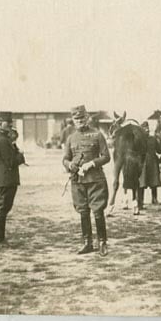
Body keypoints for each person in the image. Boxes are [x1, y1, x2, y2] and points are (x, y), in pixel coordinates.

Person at [62, 105, 111, 256]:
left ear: (87, 118)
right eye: (76, 119)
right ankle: (87, 243)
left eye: (82, 118)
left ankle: (102, 242)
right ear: (73, 120)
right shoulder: (71, 138)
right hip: (78, 181)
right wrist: (70, 165)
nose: (79, 121)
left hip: (95, 180)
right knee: (83, 212)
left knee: (97, 211)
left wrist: (92, 164)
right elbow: (65, 159)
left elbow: (106, 156)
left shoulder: (97, 135)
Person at [0, 111, 25, 247]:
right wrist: (21, 156)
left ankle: (0, 239)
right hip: (6, 179)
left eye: (11, 123)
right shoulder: (3, 140)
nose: (10, 125)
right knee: (3, 209)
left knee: (2, 208)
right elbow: (11, 162)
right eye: (7, 123)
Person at [138, 121, 161, 209]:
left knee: (151, 181)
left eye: (147, 129)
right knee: (145, 182)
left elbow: (159, 149)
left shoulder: (151, 139)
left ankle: (151, 199)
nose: (146, 130)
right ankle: (143, 201)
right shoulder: (143, 139)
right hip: (146, 161)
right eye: (145, 129)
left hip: (148, 161)